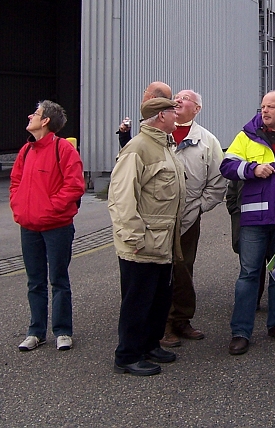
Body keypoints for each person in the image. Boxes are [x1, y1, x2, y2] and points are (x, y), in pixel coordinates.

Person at [220, 90, 275, 355]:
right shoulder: (247, 135)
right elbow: (226, 165)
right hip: (254, 219)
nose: (265, 111)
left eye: (270, 106)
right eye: (262, 107)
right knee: (248, 275)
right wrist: (251, 169)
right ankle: (241, 332)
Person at [109, 98, 186, 376]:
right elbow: (121, 197)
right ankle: (127, 355)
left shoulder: (164, 144)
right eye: (172, 111)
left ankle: (150, 344)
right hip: (142, 242)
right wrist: (132, 237)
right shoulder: (138, 148)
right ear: (160, 115)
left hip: (162, 241)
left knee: (158, 298)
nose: (177, 115)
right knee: (137, 301)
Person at [10, 100, 86, 352]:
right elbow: (15, 181)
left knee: (59, 279)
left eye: (36, 114)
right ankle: (36, 331)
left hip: (57, 227)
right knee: (35, 281)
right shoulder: (25, 151)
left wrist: (49, 209)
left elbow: (74, 186)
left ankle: (63, 331)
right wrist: (19, 206)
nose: (30, 116)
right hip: (29, 226)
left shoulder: (63, 150)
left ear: (45, 122)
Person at [159, 90, 227, 347]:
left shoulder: (207, 141)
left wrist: (199, 208)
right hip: (158, 220)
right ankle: (163, 324)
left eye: (185, 98)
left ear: (197, 108)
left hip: (188, 219)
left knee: (184, 269)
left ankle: (182, 320)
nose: (178, 100)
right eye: (176, 96)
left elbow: (217, 182)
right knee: (162, 271)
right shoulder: (160, 135)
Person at [116, 81, 172, 149]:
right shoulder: (165, 120)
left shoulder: (155, 123)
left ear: (152, 98)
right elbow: (140, 151)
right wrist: (124, 135)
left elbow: (140, 152)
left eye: (145, 92)